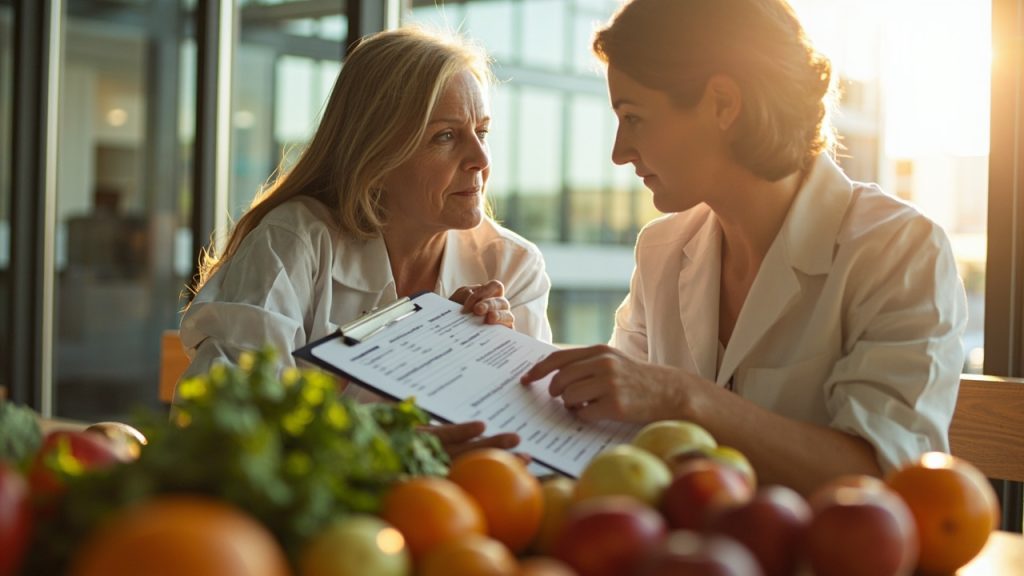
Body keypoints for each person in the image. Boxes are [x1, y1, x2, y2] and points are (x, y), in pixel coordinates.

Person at [521, 0, 967, 494]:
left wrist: (685, 397)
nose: (619, 152)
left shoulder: (900, 252)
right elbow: (608, 420)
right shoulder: (661, 248)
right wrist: (487, 349)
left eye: (634, 117)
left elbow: (885, 478)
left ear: (723, 103)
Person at [180, 27, 552, 456]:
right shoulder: (295, 241)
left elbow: (534, 445)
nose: (481, 160)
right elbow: (220, 422)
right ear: (375, 153)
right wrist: (382, 429)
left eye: (482, 132)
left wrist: (491, 366)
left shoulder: (512, 266)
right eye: (445, 136)